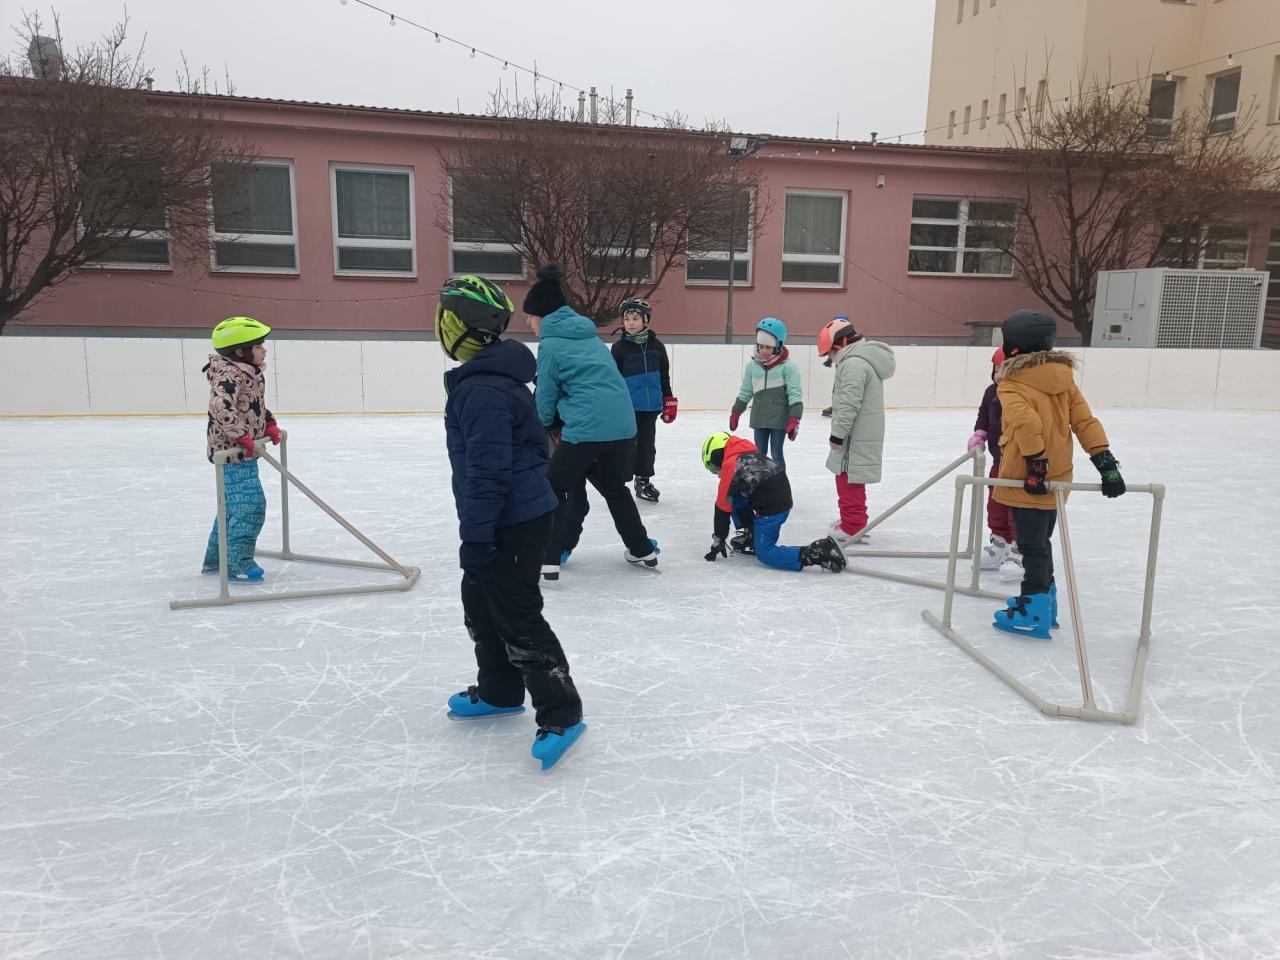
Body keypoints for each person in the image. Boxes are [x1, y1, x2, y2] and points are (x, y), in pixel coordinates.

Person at [436, 273, 586, 771]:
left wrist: (477, 537)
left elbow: (488, 473)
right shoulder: (486, 381)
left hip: (513, 519)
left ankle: (562, 712)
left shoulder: (483, 390)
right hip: (508, 512)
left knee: (516, 613)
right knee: (480, 602)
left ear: (456, 327)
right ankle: (500, 690)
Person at [991, 308, 1126, 640]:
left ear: (1014, 347)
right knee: (1042, 542)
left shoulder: (1011, 382)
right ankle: (1045, 602)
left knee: (1031, 546)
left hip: (1028, 477)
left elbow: (1025, 422)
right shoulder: (1064, 381)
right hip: (1059, 476)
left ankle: (1033, 608)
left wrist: (1036, 464)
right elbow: (1084, 422)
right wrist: (1105, 463)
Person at [524, 263, 659, 580]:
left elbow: (545, 395)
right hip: (623, 427)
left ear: (543, 315)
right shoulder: (590, 338)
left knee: (554, 487)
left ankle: (548, 558)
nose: (528, 322)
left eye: (530, 316)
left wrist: (544, 423)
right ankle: (642, 549)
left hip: (586, 429)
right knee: (614, 488)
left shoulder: (550, 345)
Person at [200, 316, 281, 582]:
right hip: (232, 453)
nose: (264, 351)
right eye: (258, 346)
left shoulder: (249, 373)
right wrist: (241, 435)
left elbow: (252, 405)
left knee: (231, 507)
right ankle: (236, 562)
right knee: (250, 507)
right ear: (240, 351)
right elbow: (220, 407)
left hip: (242, 450)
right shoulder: (229, 375)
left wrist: (268, 423)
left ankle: (216, 559)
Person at [700, 432, 846, 573]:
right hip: (779, 499)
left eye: (714, 468)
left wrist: (719, 539)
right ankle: (752, 535)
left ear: (718, 456)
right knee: (734, 496)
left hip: (772, 510)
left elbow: (722, 507)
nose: (717, 474)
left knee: (765, 554)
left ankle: (815, 552)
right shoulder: (748, 454)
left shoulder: (731, 465)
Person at [818, 317, 896, 546]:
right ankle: (854, 521)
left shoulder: (853, 364)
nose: (832, 358)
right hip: (861, 433)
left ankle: (852, 526)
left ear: (841, 344)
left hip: (853, 435)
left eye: (831, 353)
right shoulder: (861, 360)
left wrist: (837, 434)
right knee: (852, 478)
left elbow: (848, 404)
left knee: (847, 478)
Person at [611, 297, 677, 503]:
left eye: (635, 318)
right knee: (626, 446)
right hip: (627, 407)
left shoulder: (657, 347)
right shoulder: (619, 348)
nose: (630, 323)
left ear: (645, 320)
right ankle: (619, 482)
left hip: (650, 407)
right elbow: (614, 380)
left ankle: (643, 480)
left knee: (647, 446)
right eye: (627, 319)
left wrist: (669, 401)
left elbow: (664, 376)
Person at [967, 347, 1023, 581]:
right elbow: (983, 415)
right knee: (996, 504)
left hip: (1020, 463)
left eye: (1004, 368)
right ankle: (999, 543)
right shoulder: (991, 392)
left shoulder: (1023, 393)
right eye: (996, 368)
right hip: (998, 461)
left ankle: (1020, 550)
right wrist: (980, 434)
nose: (999, 373)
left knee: (1016, 508)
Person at [728, 317, 803, 473]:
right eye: (760, 346)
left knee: (776, 454)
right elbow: (746, 391)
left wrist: (794, 418)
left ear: (777, 346)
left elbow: (794, 393)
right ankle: (761, 483)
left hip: (779, 419)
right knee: (760, 454)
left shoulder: (788, 367)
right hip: (759, 418)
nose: (763, 351)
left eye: (768, 347)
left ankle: (780, 484)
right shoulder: (752, 366)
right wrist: (736, 412)